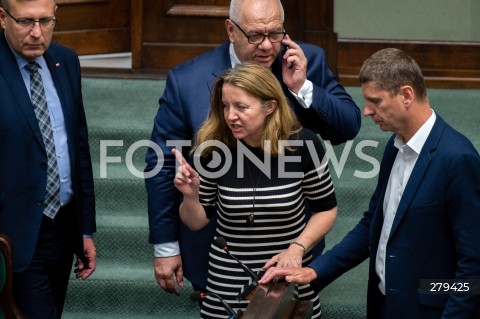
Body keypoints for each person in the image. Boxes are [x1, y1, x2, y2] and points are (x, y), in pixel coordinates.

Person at [145, 0, 360, 296]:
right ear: (231, 30)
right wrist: (166, 245)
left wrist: (302, 88)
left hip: (291, 250)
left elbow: (348, 126)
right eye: (255, 35)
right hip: (217, 253)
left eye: (275, 34)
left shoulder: (305, 60)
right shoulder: (186, 81)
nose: (267, 46)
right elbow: (162, 163)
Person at [258, 48, 480, 319]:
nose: (366, 111)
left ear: (407, 95)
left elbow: (473, 266)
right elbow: (372, 225)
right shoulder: (394, 147)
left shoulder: (458, 159)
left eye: (375, 101)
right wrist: (315, 270)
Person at [172, 62, 337, 318]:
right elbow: (196, 222)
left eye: (241, 107)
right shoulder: (213, 149)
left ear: (269, 107)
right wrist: (190, 196)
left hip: (286, 285)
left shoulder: (302, 144)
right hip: (227, 288)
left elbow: (326, 210)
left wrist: (297, 248)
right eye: (225, 106)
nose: (230, 116)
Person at [0, 0, 97, 318]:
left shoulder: (65, 61)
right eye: (26, 22)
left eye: (46, 21)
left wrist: (84, 230)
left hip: (63, 226)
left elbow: (77, 146)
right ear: (3, 18)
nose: (37, 32)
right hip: (14, 235)